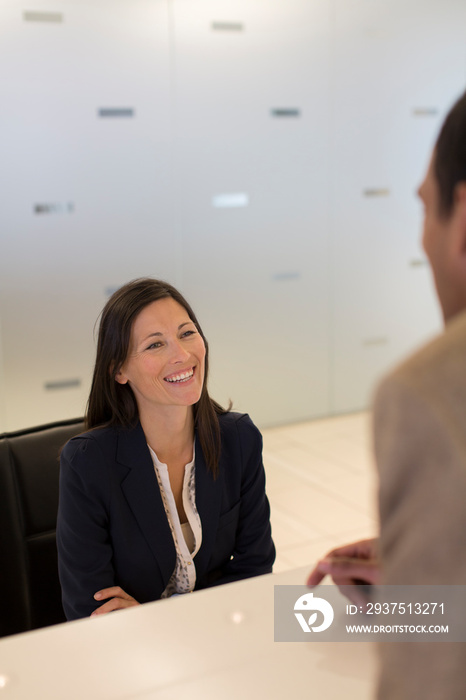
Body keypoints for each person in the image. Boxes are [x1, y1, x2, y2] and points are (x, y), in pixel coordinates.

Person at [308, 90, 466, 698]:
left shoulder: (429, 393)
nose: (420, 241)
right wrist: (423, 566)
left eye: (426, 209)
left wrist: (419, 593)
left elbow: (430, 676)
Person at [57, 278, 275, 620]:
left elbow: (256, 569)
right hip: (133, 656)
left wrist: (159, 618)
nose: (182, 355)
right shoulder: (89, 463)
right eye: (155, 345)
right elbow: (92, 608)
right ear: (119, 370)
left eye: (187, 333)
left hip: (220, 637)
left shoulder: (238, 438)